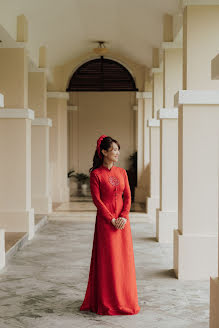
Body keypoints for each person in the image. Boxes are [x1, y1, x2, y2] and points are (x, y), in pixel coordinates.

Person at [80, 135, 140, 315]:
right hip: (106, 224)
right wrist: (111, 219)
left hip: (122, 224)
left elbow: (128, 197)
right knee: (109, 261)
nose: (117, 153)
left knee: (123, 261)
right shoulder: (96, 174)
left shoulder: (122, 172)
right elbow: (97, 201)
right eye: (113, 149)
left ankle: (124, 299)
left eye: (117, 149)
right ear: (104, 152)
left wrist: (123, 216)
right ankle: (107, 301)